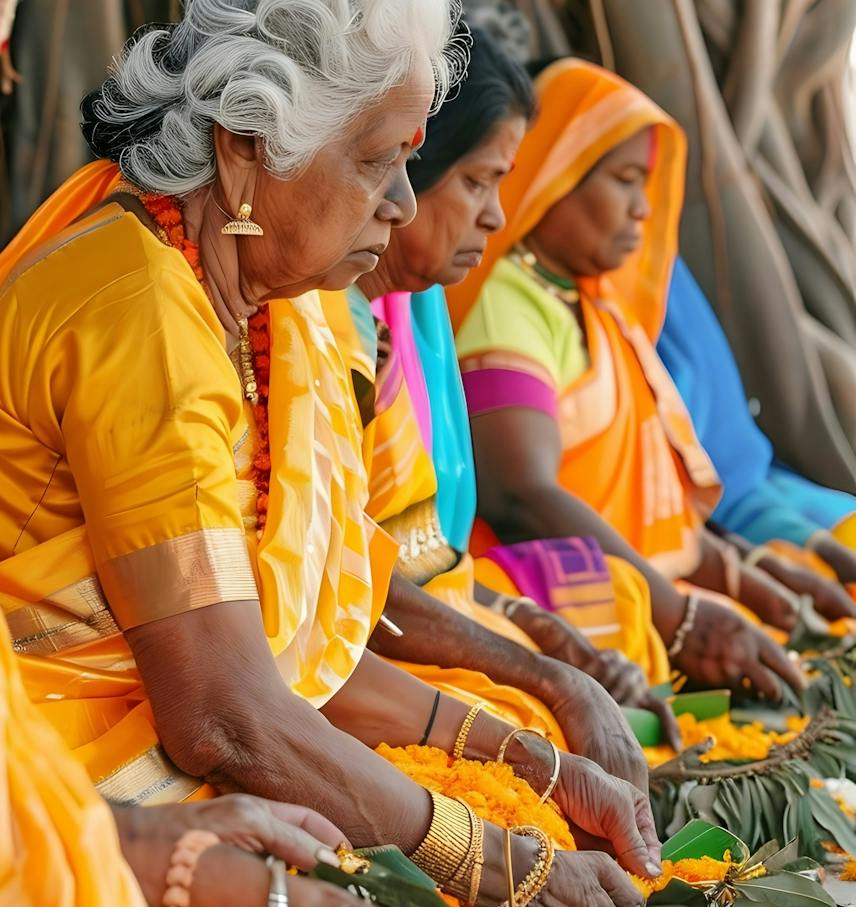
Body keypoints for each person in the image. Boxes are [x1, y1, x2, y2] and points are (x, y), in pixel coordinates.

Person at [0, 2, 653, 907]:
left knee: (499, 793)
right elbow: (227, 713)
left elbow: (301, 650)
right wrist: (495, 868)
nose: (401, 200)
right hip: (34, 772)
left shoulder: (273, 312)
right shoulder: (140, 310)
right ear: (244, 150)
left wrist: (531, 762)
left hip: (189, 736)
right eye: (378, 159)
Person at [336, 28, 680, 762]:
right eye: (478, 180)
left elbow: (423, 551)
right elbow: (349, 587)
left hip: (437, 599)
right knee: (559, 724)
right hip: (362, 639)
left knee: (602, 651)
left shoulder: (414, 305)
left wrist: (544, 639)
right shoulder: (331, 315)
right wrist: (547, 665)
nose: (496, 214)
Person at [447, 58, 820, 703]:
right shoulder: (511, 303)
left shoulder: (601, 312)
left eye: (646, 185)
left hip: (649, 597)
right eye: (624, 180)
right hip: (562, 598)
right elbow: (520, 496)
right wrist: (677, 616)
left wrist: (739, 573)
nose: (643, 209)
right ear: (554, 174)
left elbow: (657, 516)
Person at [659, 255, 856, 595]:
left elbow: (738, 469)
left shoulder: (660, 272)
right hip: (678, 564)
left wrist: (816, 544)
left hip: (762, 506)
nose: (640, 209)